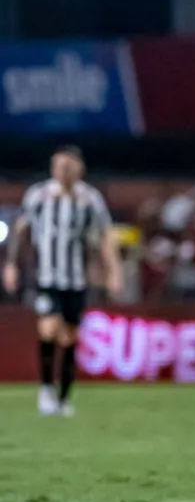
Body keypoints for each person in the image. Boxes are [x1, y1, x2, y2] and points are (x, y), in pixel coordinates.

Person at [3, 145, 123, 417]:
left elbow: (105, 236)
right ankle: (46, 389)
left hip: (76, 280)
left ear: (79, 169)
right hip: (47, 277)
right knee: (48, 329)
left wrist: (114, 271)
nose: (63, 171)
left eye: (68, 166)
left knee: (70, 337)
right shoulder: (39, 195)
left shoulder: (90, 199)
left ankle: (64, 397)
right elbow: (22, 230)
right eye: (58, 166)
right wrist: (11, 265)